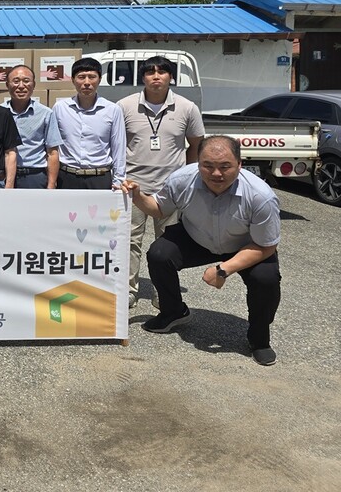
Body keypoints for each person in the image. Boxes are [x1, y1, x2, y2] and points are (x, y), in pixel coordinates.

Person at [123, 136, 282, 366]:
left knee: (265, 278)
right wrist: (137, 195)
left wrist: (224, 269)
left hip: (244, 246)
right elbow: (159, 208)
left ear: (240, 164)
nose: (216, 173)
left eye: (225, 166)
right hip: (197, 237)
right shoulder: (182, 180)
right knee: (159, 254)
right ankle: (173, 312)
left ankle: (259, 338)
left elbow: (267, 245)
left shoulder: (260, 196)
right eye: (208, 166)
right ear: (198, 164)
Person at [119, 55, 205, 308]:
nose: (156, 76)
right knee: (129, 241)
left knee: (167, 244)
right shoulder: (124, 106)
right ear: (142, 77)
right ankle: (128, 290)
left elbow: (195, 144)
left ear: (171, 77)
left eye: (162, 72)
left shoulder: (187, 107)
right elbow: (116, 143)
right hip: (133, 187)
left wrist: (186, 178)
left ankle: (163, 292)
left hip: (170, 189)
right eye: (150, 72)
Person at [53, 57, 125, 190]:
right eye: (81, 77)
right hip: (67, 177)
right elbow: (53, 147)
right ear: (73, 80)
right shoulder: (60, 108)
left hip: (100, 178)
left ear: (99, 79)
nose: (87, 82)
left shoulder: (112, 110)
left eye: (92, 77)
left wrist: (119, 180)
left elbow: (118, 147)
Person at [1, 64, 61, 189]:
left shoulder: (46, 114)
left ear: (34, 85)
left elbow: (52, 153)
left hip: (34, 176)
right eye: (16, 81)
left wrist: (51, 184)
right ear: (7, 85)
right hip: (3, 174)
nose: (21, 86)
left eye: (26, 81)